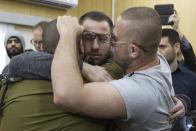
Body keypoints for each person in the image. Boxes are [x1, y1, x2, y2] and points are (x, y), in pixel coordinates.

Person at [51, 7, 175, 130]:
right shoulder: (156, 57)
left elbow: (66, 97)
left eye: (114, 39)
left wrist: (67, 33)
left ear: (133, 50)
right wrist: (85, 66)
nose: (110, 44)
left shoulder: (137, 91)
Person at [0, 11, 124, 131]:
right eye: (88, 37)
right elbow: (17, 63)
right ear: (79, 41)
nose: (95, 46)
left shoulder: (110, 72)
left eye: (103, 38)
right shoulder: (84, 78)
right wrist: (82, 66)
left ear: (112, 41)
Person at [159, 28, 196, 111]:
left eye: (162, 47)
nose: (157, 52)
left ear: (176, 48)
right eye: (155, 48)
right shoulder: (146, 76)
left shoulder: (191, 79)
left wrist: (185, 105)